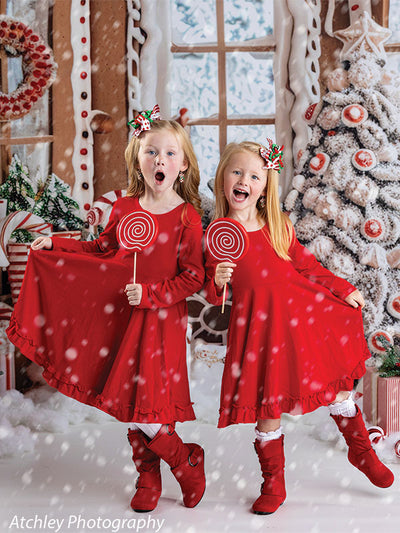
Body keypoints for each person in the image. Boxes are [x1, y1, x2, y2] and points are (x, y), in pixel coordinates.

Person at [7, 106, 206, 513]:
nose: (160, 161)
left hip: (162, 320)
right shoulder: (125, 209)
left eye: (169, 154)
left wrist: (151, 294)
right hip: (125, 318)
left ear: (183, 164)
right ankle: (149, 475)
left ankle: (185, 463)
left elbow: (193, 277)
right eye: (151, 152)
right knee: (130, 398)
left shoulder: (187, 217)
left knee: (149, 400)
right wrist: (56, 246)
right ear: (137, 157)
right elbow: (102, 252)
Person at [204, 140, 394, 515]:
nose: (245, 180)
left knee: (336, 390)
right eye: (237, 172)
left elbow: (308, 268)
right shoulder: (217, 236)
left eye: (255, 176)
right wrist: (218, 278)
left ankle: (362, 453)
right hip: (259, 331)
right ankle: (273, 482)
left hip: (300, 321)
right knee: (268, 407)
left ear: (265, 186)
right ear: (223, 178)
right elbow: (214, 296)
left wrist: (344, 289)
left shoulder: (277, 225)